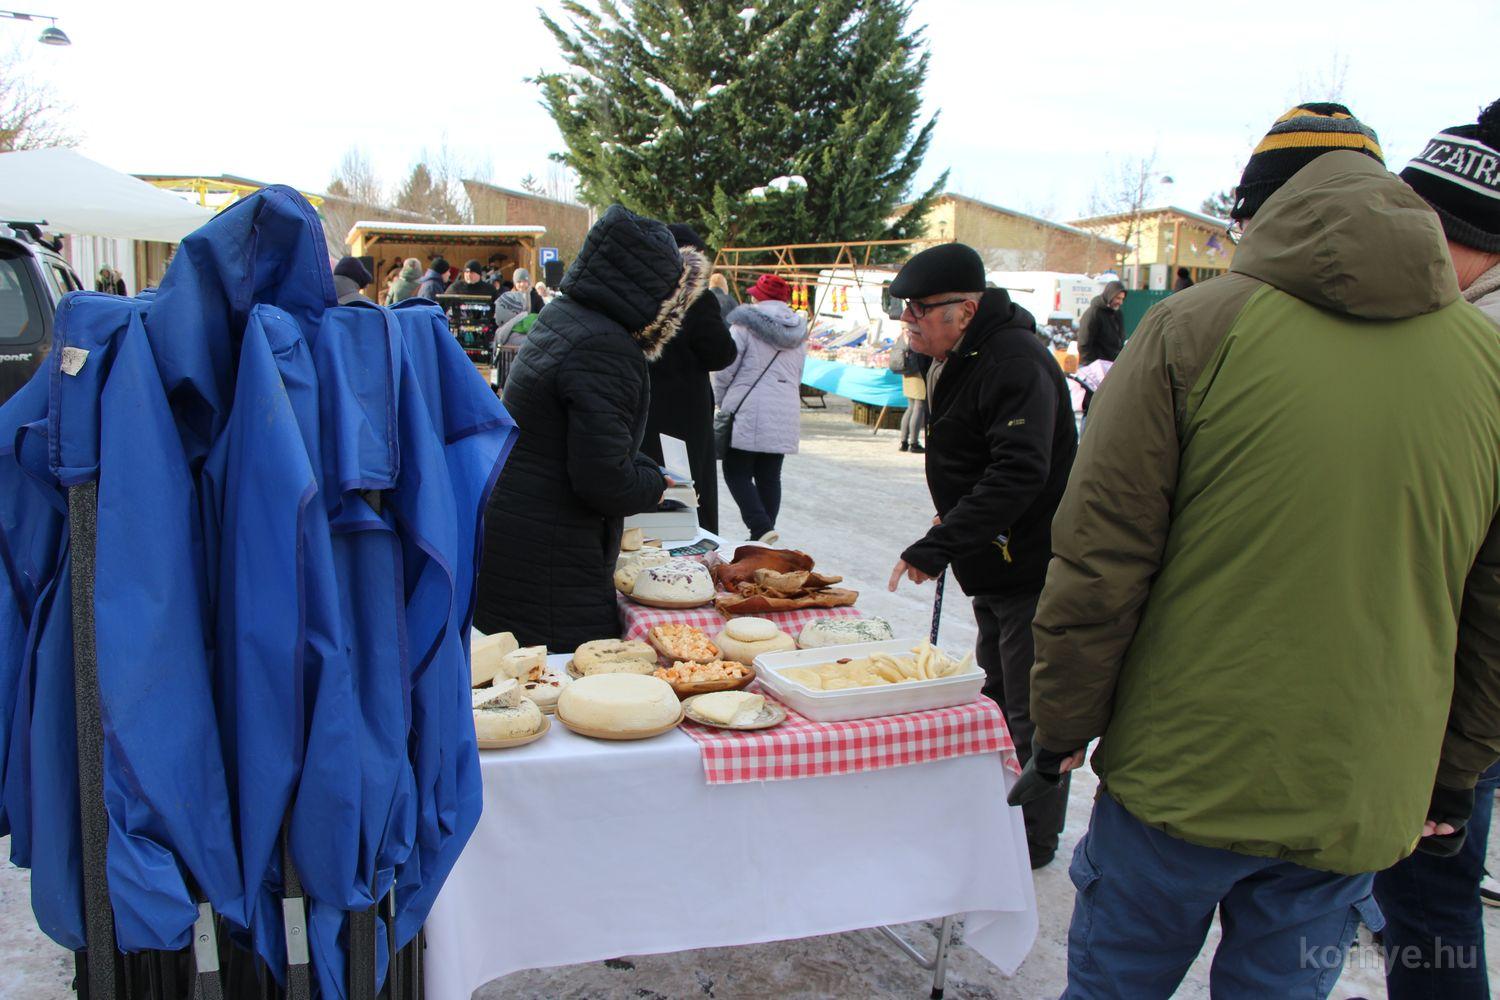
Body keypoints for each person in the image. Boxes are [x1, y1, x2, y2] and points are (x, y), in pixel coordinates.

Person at [1025, 104, 1500, 998]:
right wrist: (1456, 772)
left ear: (1265, 212)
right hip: (1356, 787)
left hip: (1182, 773)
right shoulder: (1487, 361)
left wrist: (1060, 727)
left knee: (1116, 983)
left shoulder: (1192, 328)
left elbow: (1101, 557)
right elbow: (1492, 607)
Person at [883, 242, 1077, 869]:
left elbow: (1019, 472)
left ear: (965, 310)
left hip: (1030, 566)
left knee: (1028, 709)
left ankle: (1030, 841)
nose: (909, 320)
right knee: (995, 694)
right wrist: (956, 518)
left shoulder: (1013, 360)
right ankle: (998, 817)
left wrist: (941, 545)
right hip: (993, 560)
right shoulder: (963, 354)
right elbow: (979, 455)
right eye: (905, 308)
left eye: (920, 309)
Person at [1373, 97, 1500, 1000]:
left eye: (1423, 227)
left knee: (1427, 900)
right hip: (1455, 673)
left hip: (1460, 683)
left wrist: (1453, 765)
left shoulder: (1477, 341)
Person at [475, 205, 708, 649]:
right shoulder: (604, 345)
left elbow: (583, 443)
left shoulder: (563, 316)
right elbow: (604, 481)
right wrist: (654, 482)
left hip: (521, 537)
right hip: (552, 561)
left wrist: (639, 465)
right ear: (656, 290)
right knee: (562, 676)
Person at [641, 224, 737, 535]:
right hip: (684, 418)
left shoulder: (638, 291)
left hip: (641, 409)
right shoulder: (696, 299)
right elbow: (721, 353)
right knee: (689, 498)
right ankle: (692, 553)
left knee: (649, 489)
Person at [713, 274, 808, 544]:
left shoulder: (743, 326)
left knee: (735, 470)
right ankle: (763, 534)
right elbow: (798, 374)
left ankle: (760, 527)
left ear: (758, 297)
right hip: (785, 408)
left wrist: (721, 400)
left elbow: (725, 368)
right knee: (769, 475)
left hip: (749, 409)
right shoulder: (798, 332)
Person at [887, 330, 928, 453]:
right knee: (919, 406)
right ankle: (914, 443)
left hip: (907, 372)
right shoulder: (915, 333)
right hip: (917, 372)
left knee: (910, 407)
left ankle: (904, 442)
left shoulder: (901, 336)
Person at [1076, 279, 1125, 364]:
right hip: (1096, 366)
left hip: (1113, 365)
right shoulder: (1093, 313)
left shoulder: (1117, 314)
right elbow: (1084, 343)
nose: (1120, 302)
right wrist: (1091, 365)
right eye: (1118, 298)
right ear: (1110, 295)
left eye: (1122, 299)